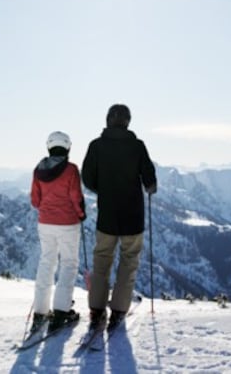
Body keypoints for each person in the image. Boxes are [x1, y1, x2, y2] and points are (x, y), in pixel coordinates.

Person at [81, 104, 157, 331]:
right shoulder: (137, 146)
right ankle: (119, 310)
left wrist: (102, 189)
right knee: (128, 261)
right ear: (128, 121)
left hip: (107, 215)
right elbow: (150, 182)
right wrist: (148, 187)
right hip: (133, 217)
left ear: (107, 120)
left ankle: (96, 309)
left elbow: (87, 178)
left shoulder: (96, 146)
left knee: (102, 261)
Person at [29, 131, 86, 333]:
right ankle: (61, 312)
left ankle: (40, 311)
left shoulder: (39, 170)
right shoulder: (71, 170)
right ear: (68, 147)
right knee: (69, 264)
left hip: (45, 223)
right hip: (68, 223)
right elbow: (76, 196)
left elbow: (35, 201)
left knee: (47, 262)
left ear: (49, 147)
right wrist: (81, 213)